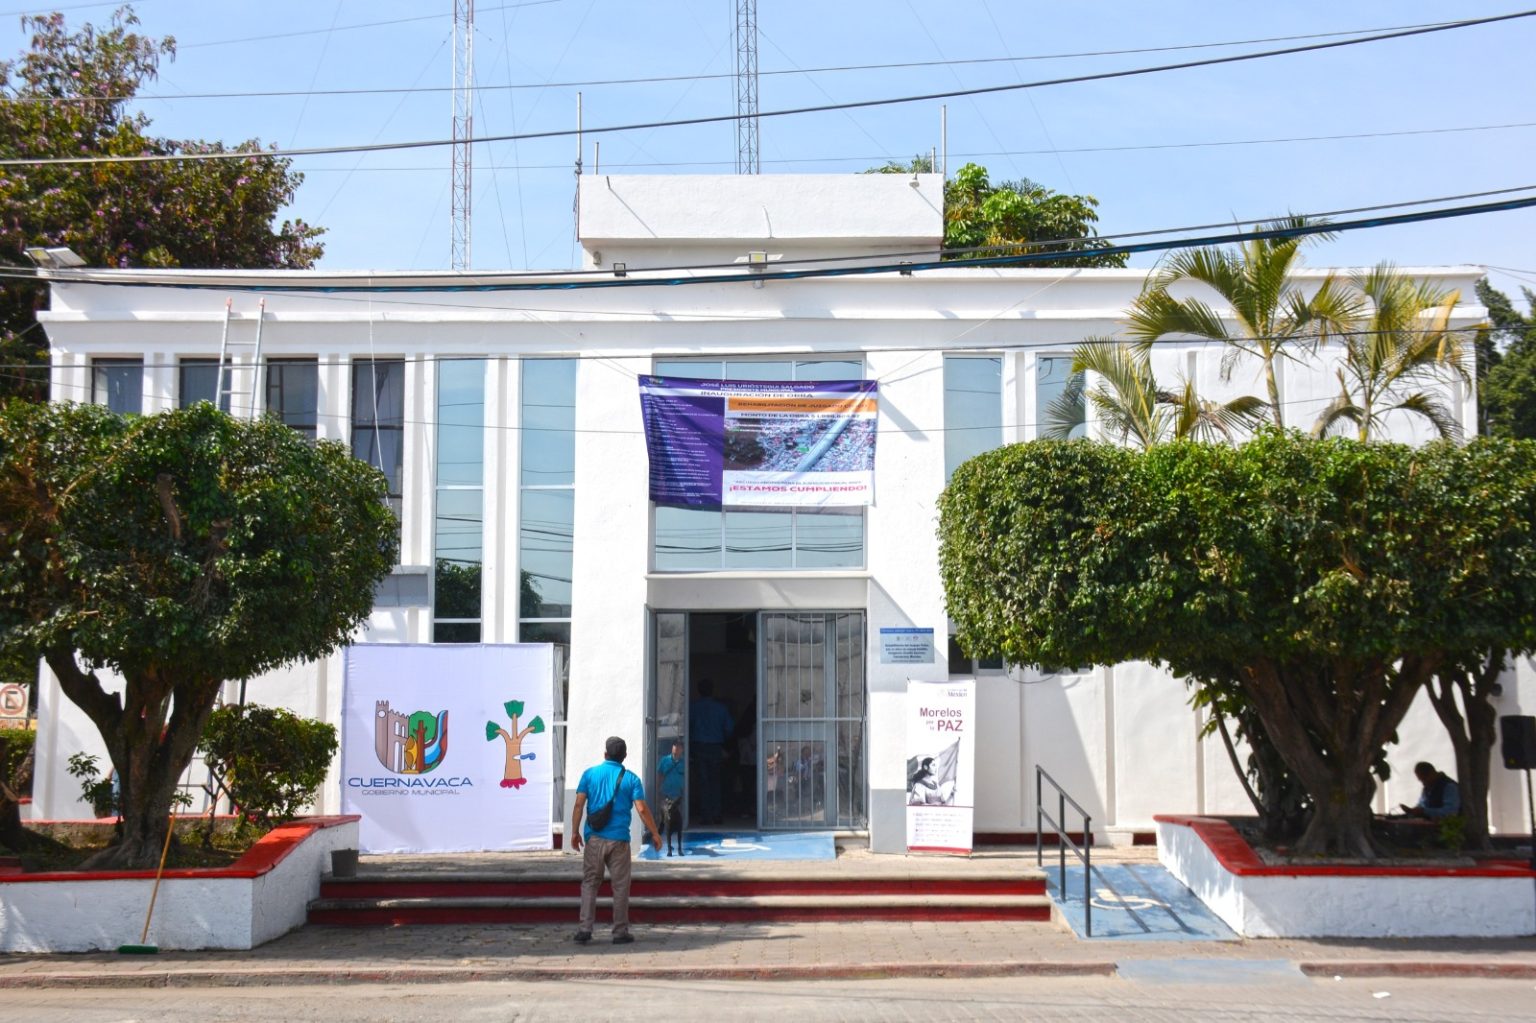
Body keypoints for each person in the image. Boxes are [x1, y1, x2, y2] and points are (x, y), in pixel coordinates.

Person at [570, 736, 662, 945]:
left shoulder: (589, 774)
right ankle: (620, 932)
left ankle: (585, 928)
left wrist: (574, 832)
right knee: (620, 886)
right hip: (620, 840)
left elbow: (578, 805)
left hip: (594, 838)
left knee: (590, 883)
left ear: (605, 754)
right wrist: (655, 833)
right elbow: (641, 809)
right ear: (624, 756)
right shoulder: (631, 779)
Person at [689, 679, 734, 825]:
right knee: (715, 781)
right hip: (715, 747)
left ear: (699, 691)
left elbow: (686, 727)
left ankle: (705, 815)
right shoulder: (720, 708)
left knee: (703, 782)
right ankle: (717, 813)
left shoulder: (693, 708)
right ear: (712, 690)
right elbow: (729, 729)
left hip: (698, 747)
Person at [657, 740, 686, 856]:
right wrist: (658, 789)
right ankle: (662, 843)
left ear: (682, 749)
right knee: (665, 820)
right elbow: (659, 775)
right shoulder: (664, 760)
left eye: (678, 747)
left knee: (679, 820)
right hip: (666, 794)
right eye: (674, 746)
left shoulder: (684, 762)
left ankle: (679, 847)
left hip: (679, 795)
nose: (676, 749)